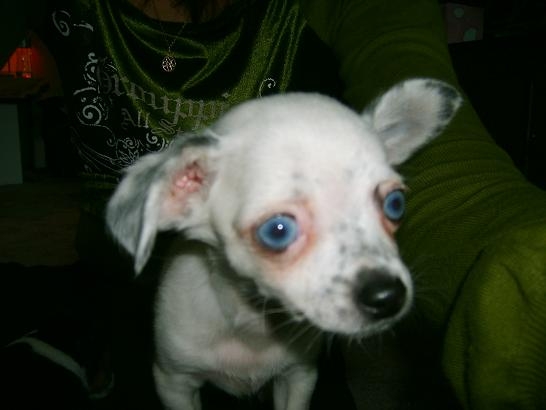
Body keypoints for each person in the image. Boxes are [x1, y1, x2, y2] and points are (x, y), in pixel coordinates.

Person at [1, 1, 546, 409]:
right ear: (181, 197)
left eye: (390, 204)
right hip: (118, 270)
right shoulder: (178, 314)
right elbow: (175, 380)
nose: (383, 280)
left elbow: (395, 43)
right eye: (280, 230)